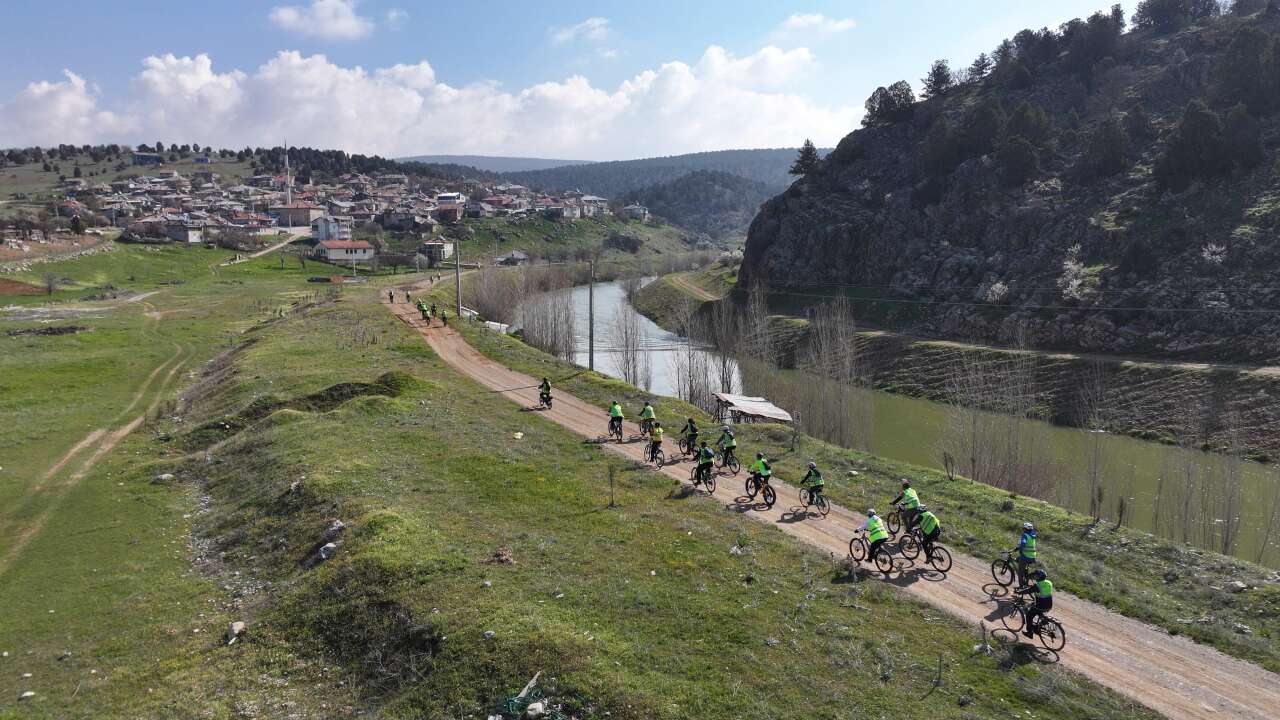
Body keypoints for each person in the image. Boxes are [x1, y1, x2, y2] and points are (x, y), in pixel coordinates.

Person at [1015, 568, 1054, 638]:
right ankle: (1042, 622)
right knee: (1033, 605)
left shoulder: (1038, 586)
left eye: (1037, 576)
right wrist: (1031, 587)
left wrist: (1018, 592)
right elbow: (1035, 588)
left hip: (1041, 605)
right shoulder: (1049, 582)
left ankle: (1030, 633)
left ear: (1039, 578)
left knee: (1029, 616)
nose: (1035, 577)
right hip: (1049, 604)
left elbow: (1029, 590)